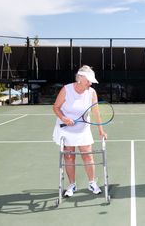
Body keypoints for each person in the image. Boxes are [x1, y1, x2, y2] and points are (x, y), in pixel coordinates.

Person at [52, 65, 107, 196]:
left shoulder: (92, 92)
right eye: (88, 80)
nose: (90, 83)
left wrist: (101, 130)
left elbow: (96, 112)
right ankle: (72, 185)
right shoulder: (66, 89)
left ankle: (92, 183)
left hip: (83, 129)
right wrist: (64, 118)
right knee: (69, 157)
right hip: (66, 129)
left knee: (87, 155)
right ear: (80, 78)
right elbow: (56, 107)